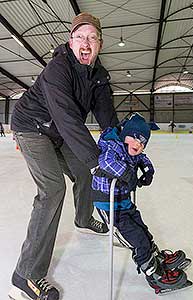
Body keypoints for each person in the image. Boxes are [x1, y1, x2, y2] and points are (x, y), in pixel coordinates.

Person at [9, 12, 119, 300]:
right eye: (80, 37)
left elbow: (107, 116)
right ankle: (26, 275)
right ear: (71, 42)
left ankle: (83, 219)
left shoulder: (98, 75)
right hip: (32, 127)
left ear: (100, 45)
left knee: (82, 170)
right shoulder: (58, 68)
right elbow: (69, 119)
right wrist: (98, 161)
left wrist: (117, 144)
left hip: (57, 130)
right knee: (52, 189)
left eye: (92, 38)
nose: (86, 42)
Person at [91, 113, 192, 295]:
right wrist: (127, 174)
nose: (139, 144)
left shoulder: (132, 150)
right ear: (125, 135)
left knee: (143, 231)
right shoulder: (112, 146)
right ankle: (154, 276)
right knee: (137, 241)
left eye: (143, 142)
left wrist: (148, 171)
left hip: (125, 203)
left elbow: (143, 159)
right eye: (136, 138)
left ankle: (157, 258)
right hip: (109, 206)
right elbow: (105, 162)